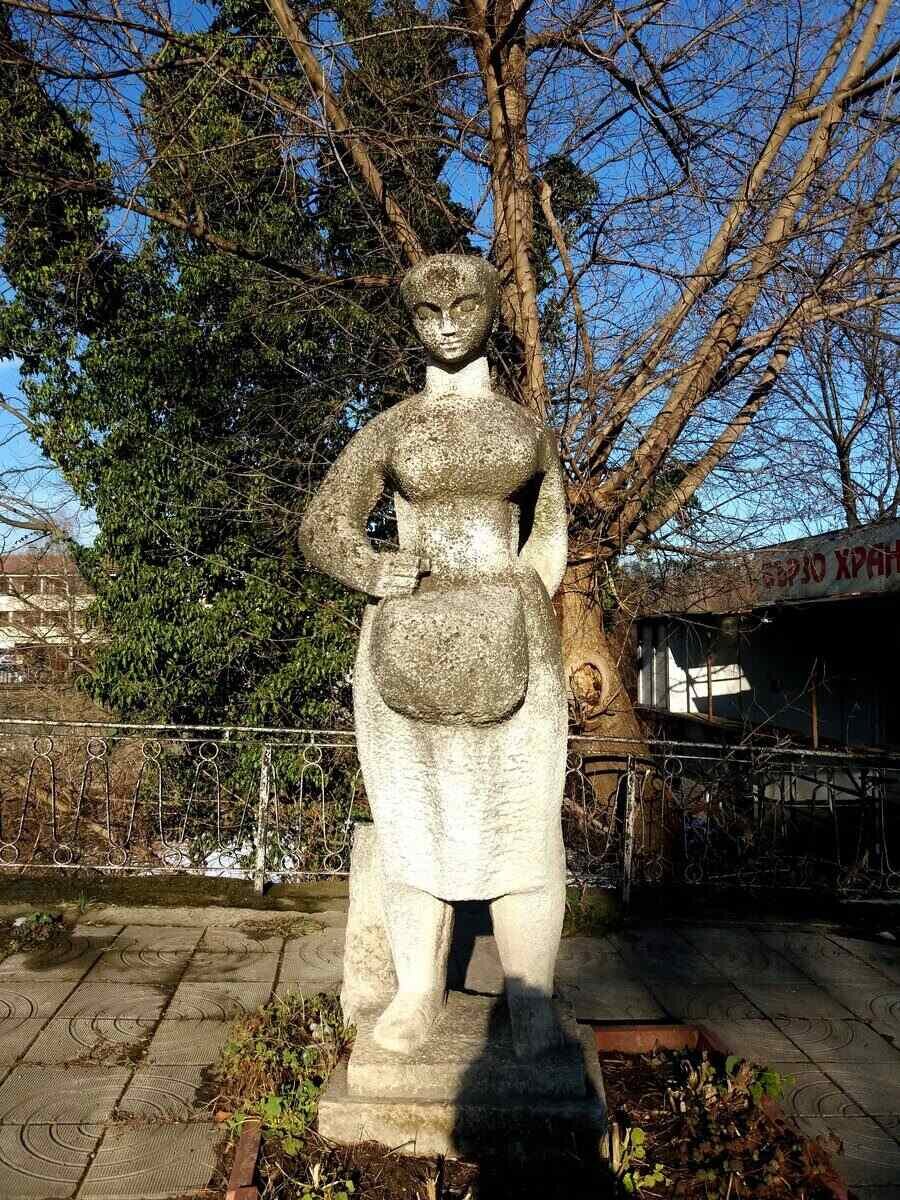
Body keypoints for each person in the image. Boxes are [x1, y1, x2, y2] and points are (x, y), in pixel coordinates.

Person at [300, 254, 568, 1058]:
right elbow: (322, 525)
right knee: (413, 824)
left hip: (518, 642)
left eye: (462, 307)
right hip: (405, 639)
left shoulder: (526, 429)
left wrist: (527, 590)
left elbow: (552, 525)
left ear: (491, 309)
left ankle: (532, 1000)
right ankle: (417, 990)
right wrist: (370, 568)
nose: (446, 325)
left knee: (523, 826)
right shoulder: (393, 428)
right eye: (427, 312)